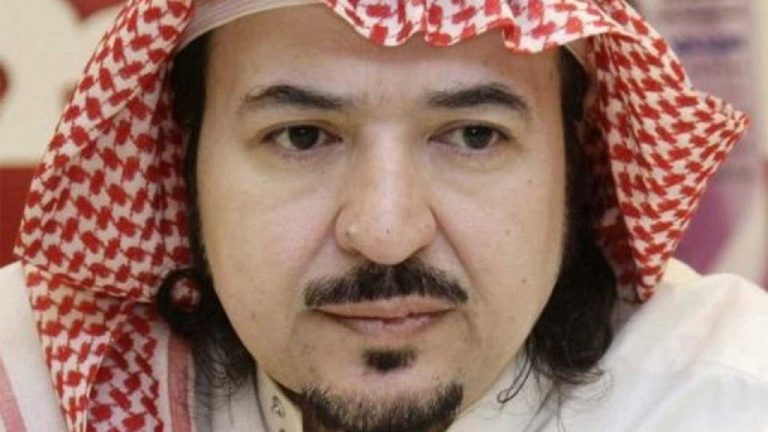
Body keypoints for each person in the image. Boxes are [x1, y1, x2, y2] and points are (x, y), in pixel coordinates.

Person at [1, 0, 766, 431]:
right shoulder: (35, 386)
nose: (387, 233)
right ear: (183, 158)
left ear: (576, 165)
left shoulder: (724, 396)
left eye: (474, 136)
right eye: (302, 136)